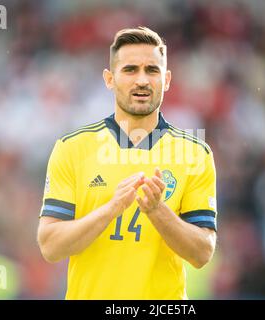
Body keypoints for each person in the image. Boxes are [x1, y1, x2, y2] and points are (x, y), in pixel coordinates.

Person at [37, 26, 217, 299]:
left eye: (152, 70)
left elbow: (202, 253)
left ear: (166, 80)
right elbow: (50, 246)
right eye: (130, 70)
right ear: (110, 79)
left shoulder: (194, 154)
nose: (142, 80)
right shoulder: (72, 148)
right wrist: (111, 209)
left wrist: (158, 211)